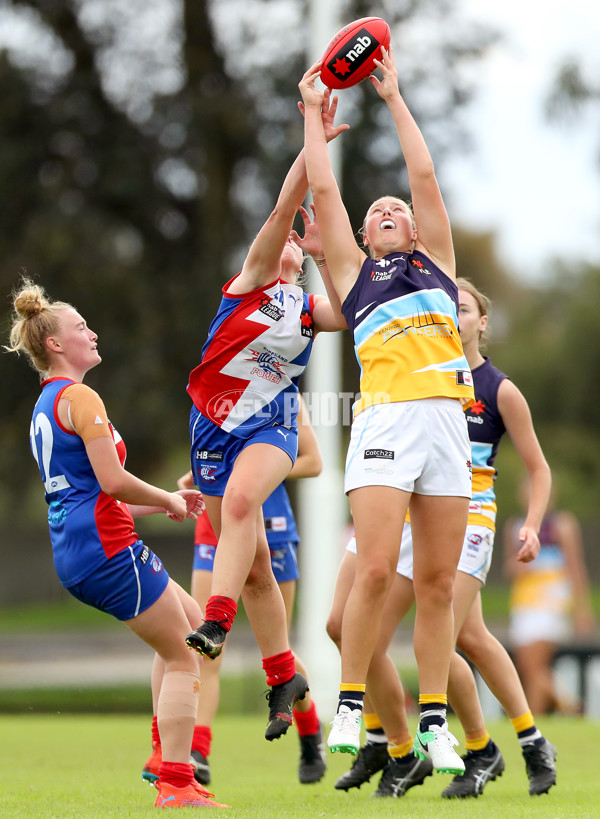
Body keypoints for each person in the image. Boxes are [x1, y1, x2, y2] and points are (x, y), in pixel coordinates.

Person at [299, 47, 474, 775]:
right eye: (380, 212)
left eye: (396, 206)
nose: (391, 209)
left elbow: (425, 175)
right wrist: (313, 114)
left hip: (446, 425)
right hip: (386, 421)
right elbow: (325, 191)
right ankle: (348, 705)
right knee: (373, 569)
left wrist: (395, 97)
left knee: (436, 585)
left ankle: (433, 722)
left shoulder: (436, 260)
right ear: (365, 240)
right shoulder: (354, 276)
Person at [330, 278, 557, 799]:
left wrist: (530, 522)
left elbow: (538, 468)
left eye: (464, 309)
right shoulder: (410, 368)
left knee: (443, 635)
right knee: (358, 627)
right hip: (405, 506)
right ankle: (419, 740)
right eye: (445, 307)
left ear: (482, 322)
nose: (453, 316)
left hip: (467, 511)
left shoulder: (498, 389)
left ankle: (455, 745)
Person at [6, 278, 229, 810]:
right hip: (106, 551)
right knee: (183, 654)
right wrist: (169, 501)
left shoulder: (46, 403)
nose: (94, 332)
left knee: (193, 620)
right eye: (82, 327)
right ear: (56, 345)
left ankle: (163, 758)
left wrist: (165, 503)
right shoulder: (79, 395)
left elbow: (101, 497)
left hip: (85, 547)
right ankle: (176, 782)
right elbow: (112, 481)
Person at [183, 89, 348, 745]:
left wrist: (328, 257)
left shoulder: (304, 306)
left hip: (270, 423)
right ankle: (284, 672)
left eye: (296, 255)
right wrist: (310, 138)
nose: (288, 252)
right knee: (251, 565)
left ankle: (216, 620)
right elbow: (284, 207)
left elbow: (350, 311)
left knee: (247, 502)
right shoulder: (249, 282)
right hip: (212, 422)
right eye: (286, 248)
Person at [166, 396, 327, 785]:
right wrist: (199, 478)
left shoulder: (281, 391)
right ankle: (198, 751)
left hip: (271, 526)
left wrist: (258, 470)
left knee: (276, 644)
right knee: (205, 645)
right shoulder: (210, 391)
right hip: (214, 530)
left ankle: (310, 729)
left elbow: (314, 461)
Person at [505, 481, 595, 715]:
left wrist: (581, 609)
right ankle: (570, 706)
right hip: (524, 602)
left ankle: (532, 721)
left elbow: (575, 569)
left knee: (535, 668)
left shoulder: (562, 525)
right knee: (528, 668)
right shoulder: (514, 526)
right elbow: (509, 567)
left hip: (550, 601)